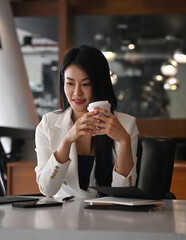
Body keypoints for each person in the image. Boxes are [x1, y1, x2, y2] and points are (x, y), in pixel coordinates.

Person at [35, 45, 139, 198]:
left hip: (107, 217)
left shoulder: (126, 124)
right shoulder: (48, 124)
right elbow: (47, 189)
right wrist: (66, 142)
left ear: (99, 84)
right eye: (70, 83)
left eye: (86, 84)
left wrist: (124, 141)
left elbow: (125, 193)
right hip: (63, 217)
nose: (77, 93)